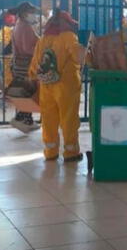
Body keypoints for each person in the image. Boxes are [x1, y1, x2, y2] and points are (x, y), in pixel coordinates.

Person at [29, 9, 82, 162]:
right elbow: (78, 57)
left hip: (46, 86)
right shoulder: (69, 37)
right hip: (67, 86)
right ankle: (70, 152)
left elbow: (34, 66)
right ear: (66, 24)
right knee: (68, 118)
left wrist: (33, 77)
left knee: (48, 119)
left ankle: (50, 151)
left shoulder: (43, 39)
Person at [8, 2, 41, 132]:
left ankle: (25, 120)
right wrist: (40, 49)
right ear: (25, 13)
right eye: (32, 12)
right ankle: (22, 119)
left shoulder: (19, 25)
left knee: (24, 92)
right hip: (26, 63)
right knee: (28, 92)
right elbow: (28, 48)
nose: (34, 15)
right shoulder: (25, 27)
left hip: (19, 63)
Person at [0, 10, 16, 88]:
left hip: (8, 54)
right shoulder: (8, 29)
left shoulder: (7, 29)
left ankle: (8, 90)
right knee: (7, 73)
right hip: (9, 54)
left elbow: (5, 43)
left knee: (8, 73)